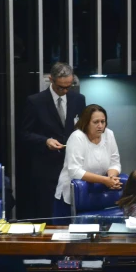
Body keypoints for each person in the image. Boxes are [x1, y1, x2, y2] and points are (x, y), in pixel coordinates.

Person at [20, 62, 86, 220]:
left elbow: (84, 128)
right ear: (51, 80)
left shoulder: (78, 99)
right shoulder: (35, 101)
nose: (64, 91)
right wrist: (45, 141)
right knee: (49, 214)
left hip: (73, 164)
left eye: (68, 87)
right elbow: (25, 133)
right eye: (60, 87)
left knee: (73, 211)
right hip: (47, 167)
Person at [53, 104, 121, 220]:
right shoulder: (77, 137)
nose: (100, 126)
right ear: (86, 122)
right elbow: (75, 171)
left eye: (103, 122)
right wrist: (104, 180)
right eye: (95, 122)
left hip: (98, 192)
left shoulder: (109, 134)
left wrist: (111, 178)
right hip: (72, 196)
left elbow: (115, 162)